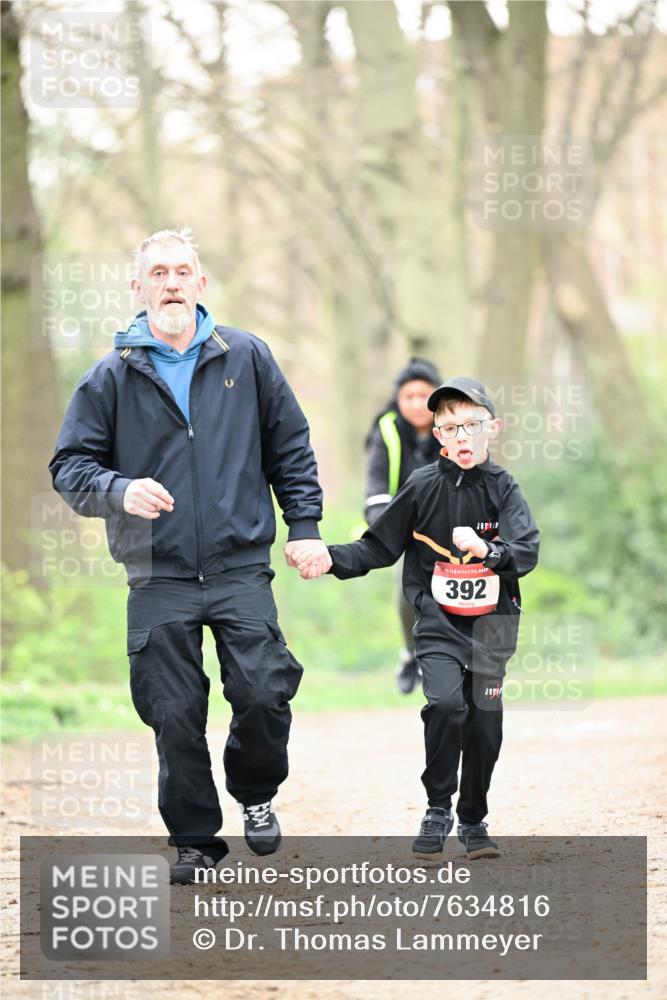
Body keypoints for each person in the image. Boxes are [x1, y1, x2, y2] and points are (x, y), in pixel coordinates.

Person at [49, 228, 331, 884]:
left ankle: (255, 792)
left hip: (238, 564)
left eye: (182, 271)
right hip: (156, 572)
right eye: (158, 273)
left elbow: (290, 445)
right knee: (173, 713)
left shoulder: (248, 358)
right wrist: (118, 490)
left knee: (263, 694)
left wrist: (305, 525)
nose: (171, 282)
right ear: (137, 287)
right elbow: (69, 467)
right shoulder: (110, 376)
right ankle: (196, 842)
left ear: (201, 285)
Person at [294, 377, 539, 861]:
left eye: (472, 425)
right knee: (447, 706)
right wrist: (329, 557)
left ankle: (473, 819)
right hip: (438, 622)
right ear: (438, 436)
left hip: (493, 625)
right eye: (449, 428)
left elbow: (526, 550)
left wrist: (487, 549)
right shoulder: (423, 484)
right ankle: (437, 807)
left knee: (484, 724)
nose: (462, 437)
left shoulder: (505, 488)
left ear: (493, 428)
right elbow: (378, 546)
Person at [364, 358, 441, 694]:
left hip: (453, 528)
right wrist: (389, 527)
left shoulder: (455, 425)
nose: (415, 403)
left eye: (423, 395)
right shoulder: (387, 431)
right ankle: (411, 654)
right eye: (407, 396)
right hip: (406, 527)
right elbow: (376, 485)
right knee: (408, 594)